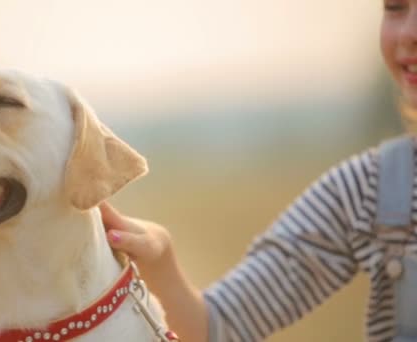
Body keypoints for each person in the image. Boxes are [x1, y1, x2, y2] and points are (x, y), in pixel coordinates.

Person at [98, 1, 417, 341]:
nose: (409, 33)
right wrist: (160, 261)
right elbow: (220, 326)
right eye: (395, 7)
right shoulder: (372, 188)